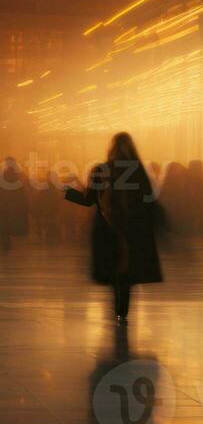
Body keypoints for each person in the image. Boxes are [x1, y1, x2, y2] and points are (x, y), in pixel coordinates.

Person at [64, 133, 166, 323]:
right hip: (132, 227)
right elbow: (148, 200)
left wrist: (67, 192)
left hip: (107, 227)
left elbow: (89, 200)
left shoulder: (102, 170)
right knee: (127, 268)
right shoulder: (137, 171)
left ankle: (118, 307)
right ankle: (122, 310)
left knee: (112, 266)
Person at [0, 157, 28, 252]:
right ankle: (6, 242)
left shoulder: (7, 174)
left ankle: (6, 243)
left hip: (7, 204)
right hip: (11, 204)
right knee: (6, 225)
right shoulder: (19, 174)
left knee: (4, 225)